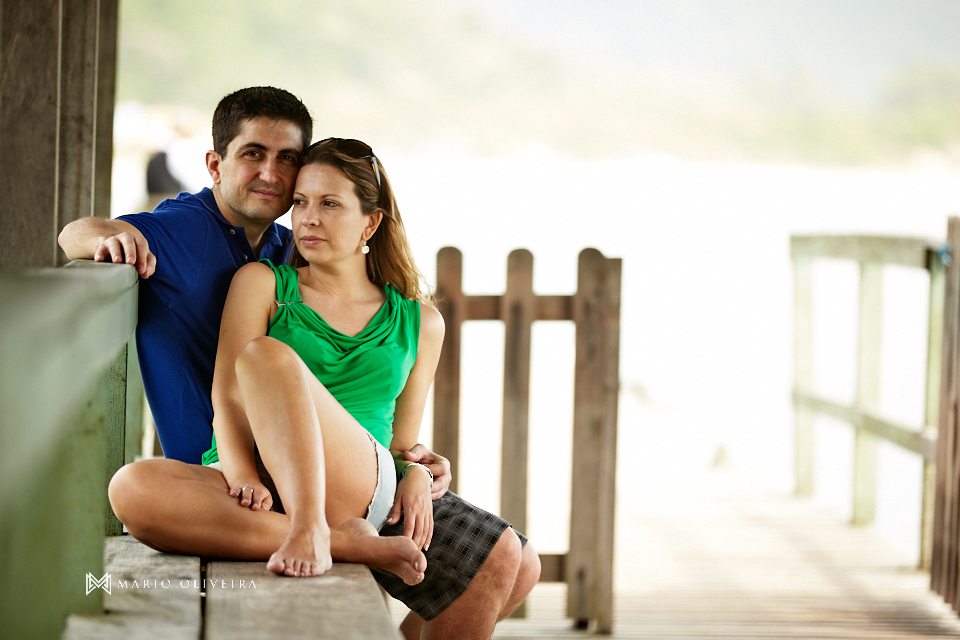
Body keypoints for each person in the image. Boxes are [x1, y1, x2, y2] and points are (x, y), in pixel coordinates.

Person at [58, 87, 540, 639]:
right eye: (253, 154)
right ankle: (334, 539)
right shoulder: (193, 237)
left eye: (288, 160)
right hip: (236, 475)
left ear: (369, 223)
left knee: (517, 564)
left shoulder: (291, 247)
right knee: (130, 487)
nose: (273, 175)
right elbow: (73, 234)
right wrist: (107, 234)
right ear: (215, 163)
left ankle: (317, 528)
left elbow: (397, 428)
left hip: (349, 474)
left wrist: (415, 464)